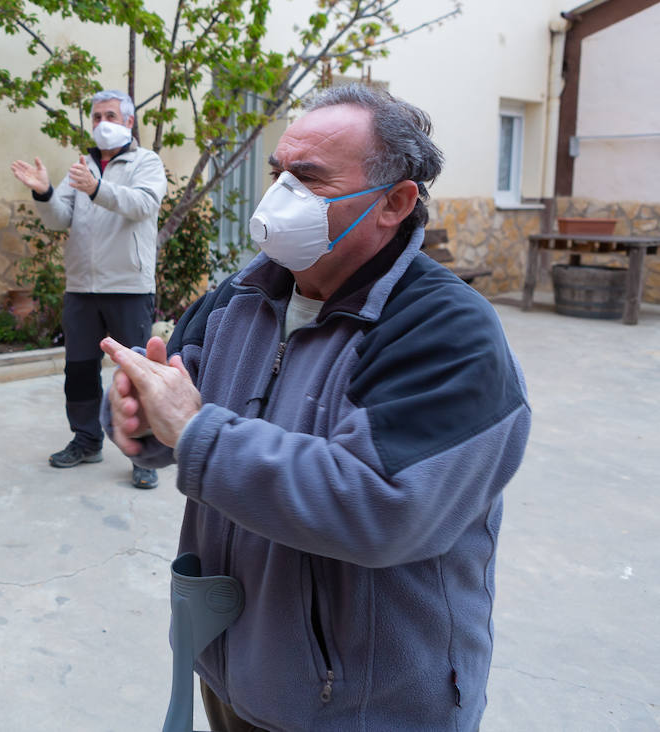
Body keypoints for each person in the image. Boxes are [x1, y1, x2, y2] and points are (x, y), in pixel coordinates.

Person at [101, 83, 531, 730]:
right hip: (232, 671)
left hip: (359, 707)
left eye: (309, 179)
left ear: (395, 202)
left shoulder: (447, 333)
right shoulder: (239, 297)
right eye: (278, 173)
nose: (279, 196)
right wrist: (139, 419)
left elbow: (379, 507)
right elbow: (177, 408)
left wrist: (190, 430)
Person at [11, 89, 167, 489]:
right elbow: (59, 218)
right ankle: (86, 439)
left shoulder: (146, 163)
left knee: (135, 372)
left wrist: (97, 189)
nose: (102, 123)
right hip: (81, 286)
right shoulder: (81, 168)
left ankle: (143, 452)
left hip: (128, 285)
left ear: (130, 122)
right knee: (79, 369)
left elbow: (143, 205)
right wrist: (45, 192)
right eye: (96, 117)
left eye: (110, 115)